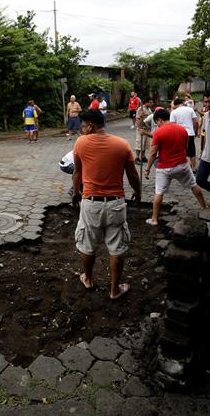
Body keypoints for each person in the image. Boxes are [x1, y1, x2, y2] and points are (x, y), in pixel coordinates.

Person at [72, 109, 141, 300]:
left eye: (83, 125)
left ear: (91, 126)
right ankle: (114, 290)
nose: (81, 129)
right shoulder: (122, 144)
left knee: (88, 243)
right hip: (116, 204)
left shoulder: (81, 143)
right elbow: (132, 174)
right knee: (117, 247)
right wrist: (138, 191)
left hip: (90, 203)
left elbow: (77, 172)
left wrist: (76, 192)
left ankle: (88, 278)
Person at [145, 109, 207, 225]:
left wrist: (147, 169)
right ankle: (205, 208)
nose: (157, 125)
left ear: (159, 120)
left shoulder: (158, 132)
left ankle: (154, 219)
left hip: (164, 168)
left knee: (158, 192)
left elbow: (153, 153)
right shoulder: (182, 129)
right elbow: (186, 147)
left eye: (156, 122)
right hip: (182, 165)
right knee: (194, 185)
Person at [169, 97, 199, 170]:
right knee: (192, 152)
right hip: (190, 133)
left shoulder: (173, 112)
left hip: (179, 134)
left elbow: (172, 125)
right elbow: (196, 122)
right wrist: (195, 131)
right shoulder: (190, 109)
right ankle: (194, 168)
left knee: (181, 151)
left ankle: (183, 167)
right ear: (182, 103)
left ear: (175, 105)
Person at [134, 96, 154, 163]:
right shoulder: (141, 109)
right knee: (139, 143)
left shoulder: (149, 109)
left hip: (147, 129)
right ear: (146, 102)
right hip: (142, 128)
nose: (152, 104)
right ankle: (137, 158)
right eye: (150, 102)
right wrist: (140, 128)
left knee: (145, 144)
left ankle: (143, 157)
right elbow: (138, 119)